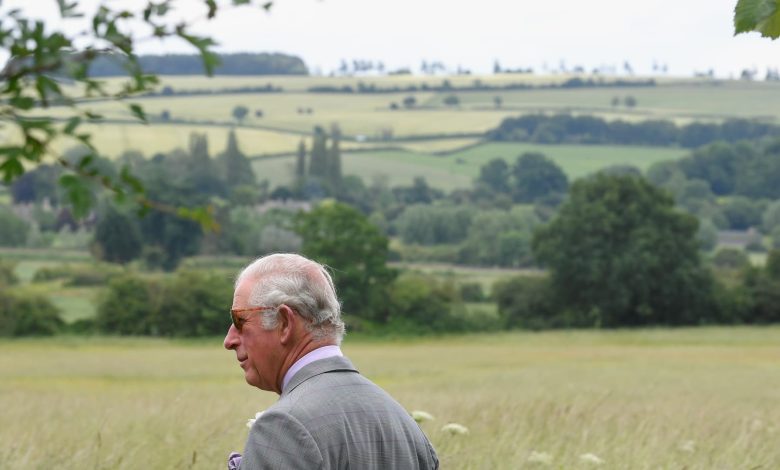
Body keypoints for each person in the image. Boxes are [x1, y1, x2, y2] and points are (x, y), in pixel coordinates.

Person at [224, 253, 439, 469]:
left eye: (240, 320)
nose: (229, 340)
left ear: (284, 323)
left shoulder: (283, 426)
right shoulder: (406, 425)